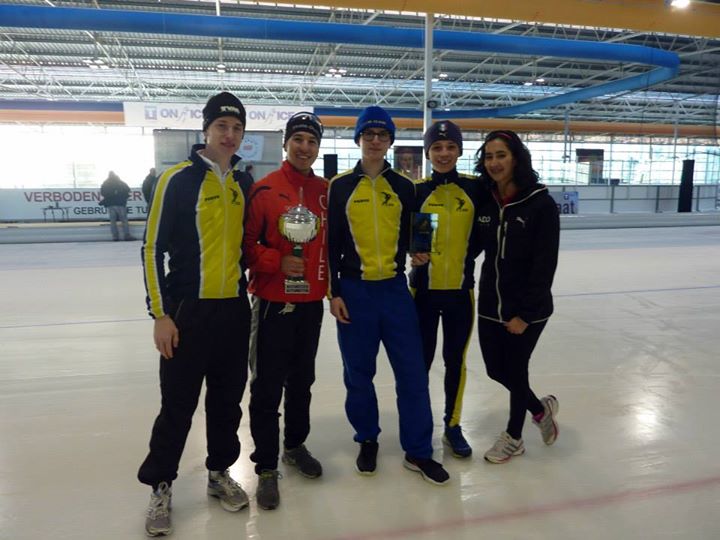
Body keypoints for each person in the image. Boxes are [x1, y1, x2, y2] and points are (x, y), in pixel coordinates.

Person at [138, 91, 253, 536]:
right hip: (187, 313)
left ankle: (219, 472)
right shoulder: (177, 180)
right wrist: (161, 314)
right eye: (222, 126)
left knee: (226, 403)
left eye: (237, 128)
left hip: (234, 311)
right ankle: (160, 485)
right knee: (178, 406)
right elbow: (151, 248)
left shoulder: (243, 184)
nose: (229, 135)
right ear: (206, 130)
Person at [327, 105, 450, 486]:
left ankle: (418, 450)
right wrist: (333, 292)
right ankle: (367, 438)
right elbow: (330, 243)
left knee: (412, 373)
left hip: (396, 291)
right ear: (359, 139)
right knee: (358, 375)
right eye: (369, 134)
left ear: (391, 141)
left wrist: (421, 247)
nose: (375, 141)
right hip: (354, 290)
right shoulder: (341, 186)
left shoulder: (404, 186)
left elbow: (421, 221)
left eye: (382, 135)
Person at [243, 112, 328, 510]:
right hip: (274, 302)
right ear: (286, 144)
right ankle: (265, 467)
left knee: (302, 381)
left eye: (311, 141)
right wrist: (275, 261)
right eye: (297, 139)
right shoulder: (264, 190)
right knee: (266, 386)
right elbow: (244, 247)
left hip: (311, 303)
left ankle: (294, 444)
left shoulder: (326, 192)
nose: (304, 148)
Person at [473, 129, 560, 464]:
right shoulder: (487, 199)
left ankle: (514, 436)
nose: (494, 162)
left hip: (527, 311)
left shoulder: (540, 205)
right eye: (489, 156)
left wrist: (524, 313)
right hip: (490, 304)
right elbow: (474, 246)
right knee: (497, 370)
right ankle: (540, 409)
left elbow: (545, 264)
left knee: (516, 369)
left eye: (501, 155)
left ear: (516, 158)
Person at [410, 121, 487, 459]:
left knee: (455, 361)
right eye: (437, 148)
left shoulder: (474, 190)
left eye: (450, 147)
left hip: (460, 293)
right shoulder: (418, 191)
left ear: (459, 150)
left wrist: (466, 257)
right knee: (420, 363)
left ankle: (452, 426)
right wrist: (414, 250)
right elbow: (410, 235)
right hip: (423, 294)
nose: (443, 154)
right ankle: (419, 425)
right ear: (428, 152)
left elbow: (484, 234)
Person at [100, 170, 134, 241]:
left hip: (111, 204)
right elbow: (128, 189)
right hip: (120, 203)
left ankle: (115, 237)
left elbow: (102, 193)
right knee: (124, 220)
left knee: (113, 221)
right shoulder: (120, 182)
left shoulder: (106, 183)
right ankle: (127, 235)